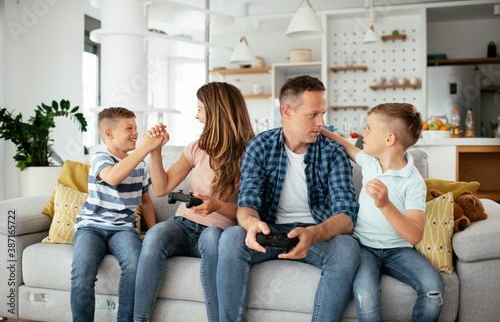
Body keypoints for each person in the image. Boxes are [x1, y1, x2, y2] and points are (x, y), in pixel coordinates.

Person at [216, 75, 360, 322]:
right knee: (231, 237)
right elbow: (246, 204)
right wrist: (252, 224)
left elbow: (346, 217)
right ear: (287, 111)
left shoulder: (333, 152)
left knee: (347, 248)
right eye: (313, 114)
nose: (321, 122)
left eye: (322, 114)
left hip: (316, 233)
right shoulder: (260, 146)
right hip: (271, 230)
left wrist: (312, 234)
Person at [133, 82, 255, 322]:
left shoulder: (251, 153)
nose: (196, 115)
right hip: (183, 224)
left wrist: (217, 206)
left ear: (216, 111)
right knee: (156, 233)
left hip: (217, 229)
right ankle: (138, 320)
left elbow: (253, 211)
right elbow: (161, 188)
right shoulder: (197, 148)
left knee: (211, 239)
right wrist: (155, 151)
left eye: (200, 109)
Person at [321, 103, 445, 322]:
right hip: (364, 247)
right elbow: (344, 144)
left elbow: (415, 235)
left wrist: (385, 204)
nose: (363, 134)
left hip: (398, 250)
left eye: (369, 129)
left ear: (389, 139)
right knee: (366, 296)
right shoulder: (369, 162)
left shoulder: (414, 182)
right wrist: (319, 128)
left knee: (433, 288)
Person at [70, 107, 159, 322]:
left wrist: (154, 232)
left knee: (136, 265)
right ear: (109, 134)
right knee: (82, 273)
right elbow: (112, 177)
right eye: (129, 128)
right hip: (92, 226)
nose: (136, 133)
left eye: (136, 128)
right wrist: (144, 149)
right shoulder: (100, 157)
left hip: (124, 228)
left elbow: (146, 202)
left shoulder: (141, 165)